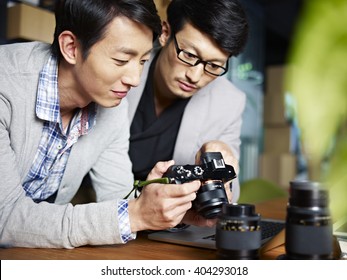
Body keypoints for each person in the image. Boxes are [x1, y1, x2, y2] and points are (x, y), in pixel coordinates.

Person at [0, 0, 204, 249]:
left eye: (142, 61)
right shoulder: (5, 85)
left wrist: (167, 207)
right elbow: (5, 217)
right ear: (71, 47)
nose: (135, 79)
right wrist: (135, 214)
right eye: (121, 60)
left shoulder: (112, 105)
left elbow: (118, 199)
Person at [127, 0, 249, 202]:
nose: (195, 75)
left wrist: (224, 163)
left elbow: (231, 195)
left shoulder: (229, 102)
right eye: (189, 55)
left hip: (170, 224)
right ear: (166, 33)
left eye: (214, 65)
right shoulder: (123, 70)